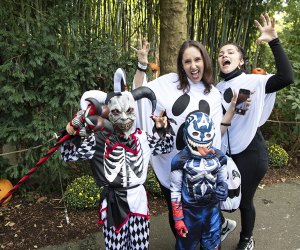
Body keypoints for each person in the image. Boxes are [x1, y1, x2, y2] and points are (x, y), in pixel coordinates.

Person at [61, 78, 175, 250]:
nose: (124, 117)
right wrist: (71, 133)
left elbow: (165, 147)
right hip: (113, 204)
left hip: (138, 202)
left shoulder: (142, 137)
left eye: (129, 111)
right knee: (116, 247)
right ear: (107, 113)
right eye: (116, 112)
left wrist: (160, 129)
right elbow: (68, 155)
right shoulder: (98, 140)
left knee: (140, 245)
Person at [132, 39, 227, 237]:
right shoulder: (169, 83)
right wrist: (142, 65)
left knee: (204, 215)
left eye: (197, 60)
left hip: (202, 169)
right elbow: (140, 94)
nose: (193, 66)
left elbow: (216, 135)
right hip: (171, 163)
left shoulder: (214, 94)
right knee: (176, 211)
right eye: (187, 62)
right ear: (181, 66)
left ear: (205, 61)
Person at [216, 13, 294, 250]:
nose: (224, 56)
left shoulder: (255, 82)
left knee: (243, 200)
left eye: (230, 52)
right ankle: (222, 225)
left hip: (251, 152)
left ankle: (246, 239)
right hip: (225, 153)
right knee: (218, 197)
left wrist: (274, 41)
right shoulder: (216, 88)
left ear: (241, 60)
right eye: (220, 54)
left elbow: (286, 77)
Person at [170, 111, 228, 250]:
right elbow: (175, 191)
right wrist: (178, 219)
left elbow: (223, 181)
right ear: (187, 133)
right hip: (189, 213)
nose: (201, 139)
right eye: (196, 134)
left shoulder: (219, 157)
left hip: (212, 212)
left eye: (207, 135)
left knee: (212, 247)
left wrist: (224, 189)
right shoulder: (179, 160)